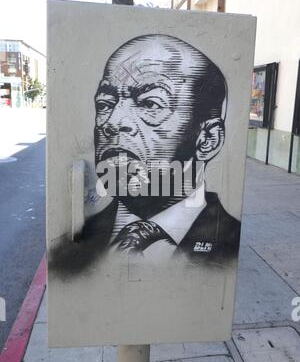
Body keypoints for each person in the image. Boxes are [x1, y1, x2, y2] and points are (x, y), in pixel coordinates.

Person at [50, 34, 240, 277]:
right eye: (106, 103)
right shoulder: (76, 238)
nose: (113, 122)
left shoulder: (228, 244)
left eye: (150, 104)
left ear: (207, 140)